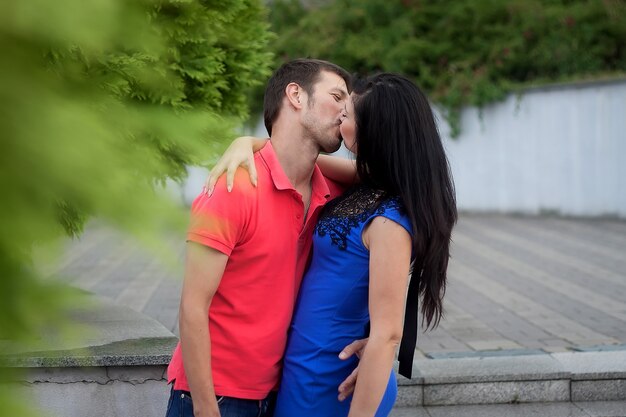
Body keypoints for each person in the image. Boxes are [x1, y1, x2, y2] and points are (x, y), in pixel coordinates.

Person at [208, 73, 457, 416]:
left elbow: (387, 333)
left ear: (374, 129)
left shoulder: (389, 221)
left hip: (330, 374)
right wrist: (245, 142)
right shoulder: (369, 183)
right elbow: (290, 158)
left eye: (349, 113)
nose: (341, 117)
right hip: (304, 362)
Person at [164, 58, 368, 417]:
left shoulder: (332, 191)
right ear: (296, 95)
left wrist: (378, 340)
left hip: (281, 393)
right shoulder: (232, 187)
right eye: (336, 97)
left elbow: (389, 180)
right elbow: (192, 306)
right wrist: (205, 408)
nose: (344, 112)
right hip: (216, 397)